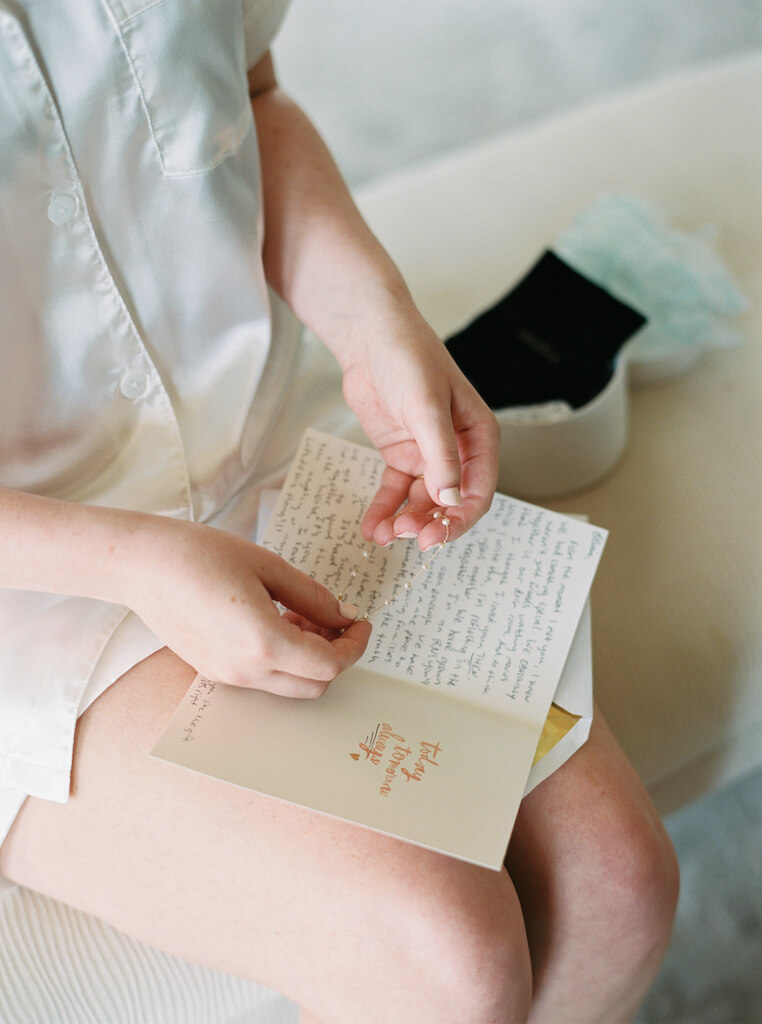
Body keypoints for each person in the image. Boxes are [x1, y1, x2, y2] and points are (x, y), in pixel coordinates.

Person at [0, 3, 678, 1022]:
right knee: (447, 956)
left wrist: (373, 320)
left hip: (254, 438)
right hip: (33, 584)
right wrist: (138, 561)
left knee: (619, 883)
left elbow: (253, 96)